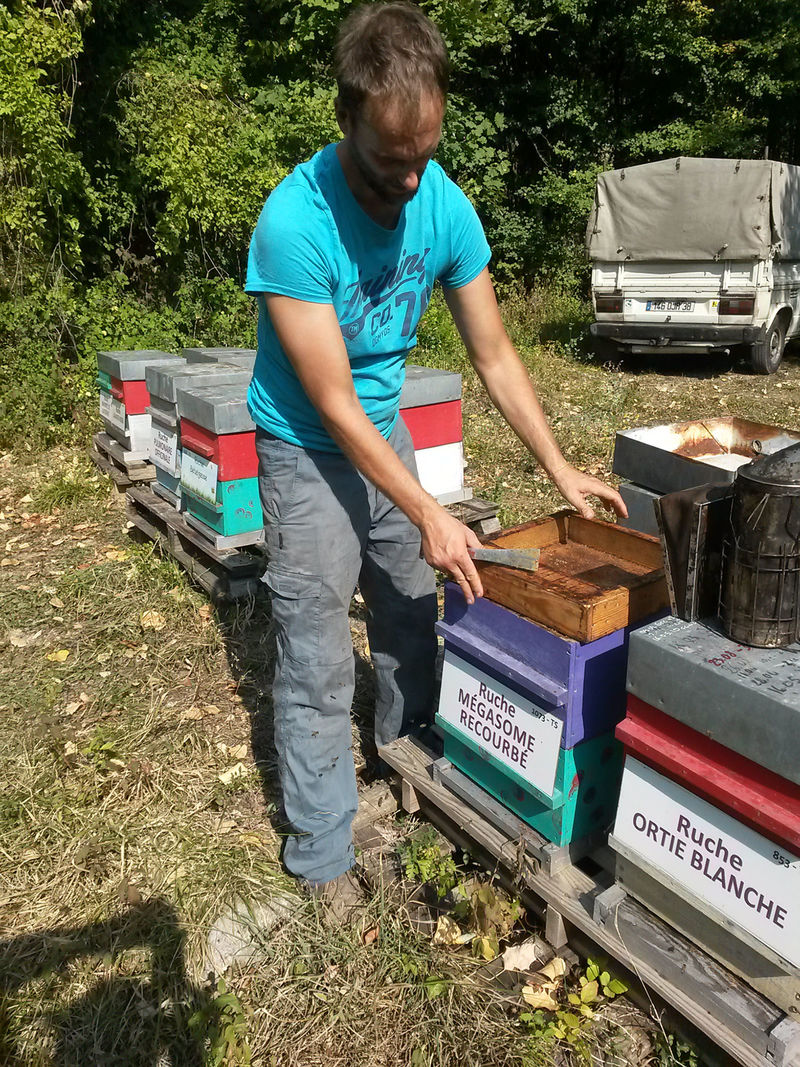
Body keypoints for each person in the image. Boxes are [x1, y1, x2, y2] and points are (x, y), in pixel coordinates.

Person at [245, 1, 626, 914]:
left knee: (416, 611)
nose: (411, 181)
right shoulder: (294, 223)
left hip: (386, 438)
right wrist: (427, 509)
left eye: (425, 156)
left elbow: (494, 354)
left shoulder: (440, 201)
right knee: (315, 650)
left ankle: (406, 759)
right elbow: (333, 402)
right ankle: (321, 850)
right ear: (347, 119)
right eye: (391, 162)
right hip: (305, 446)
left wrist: (559, 466)